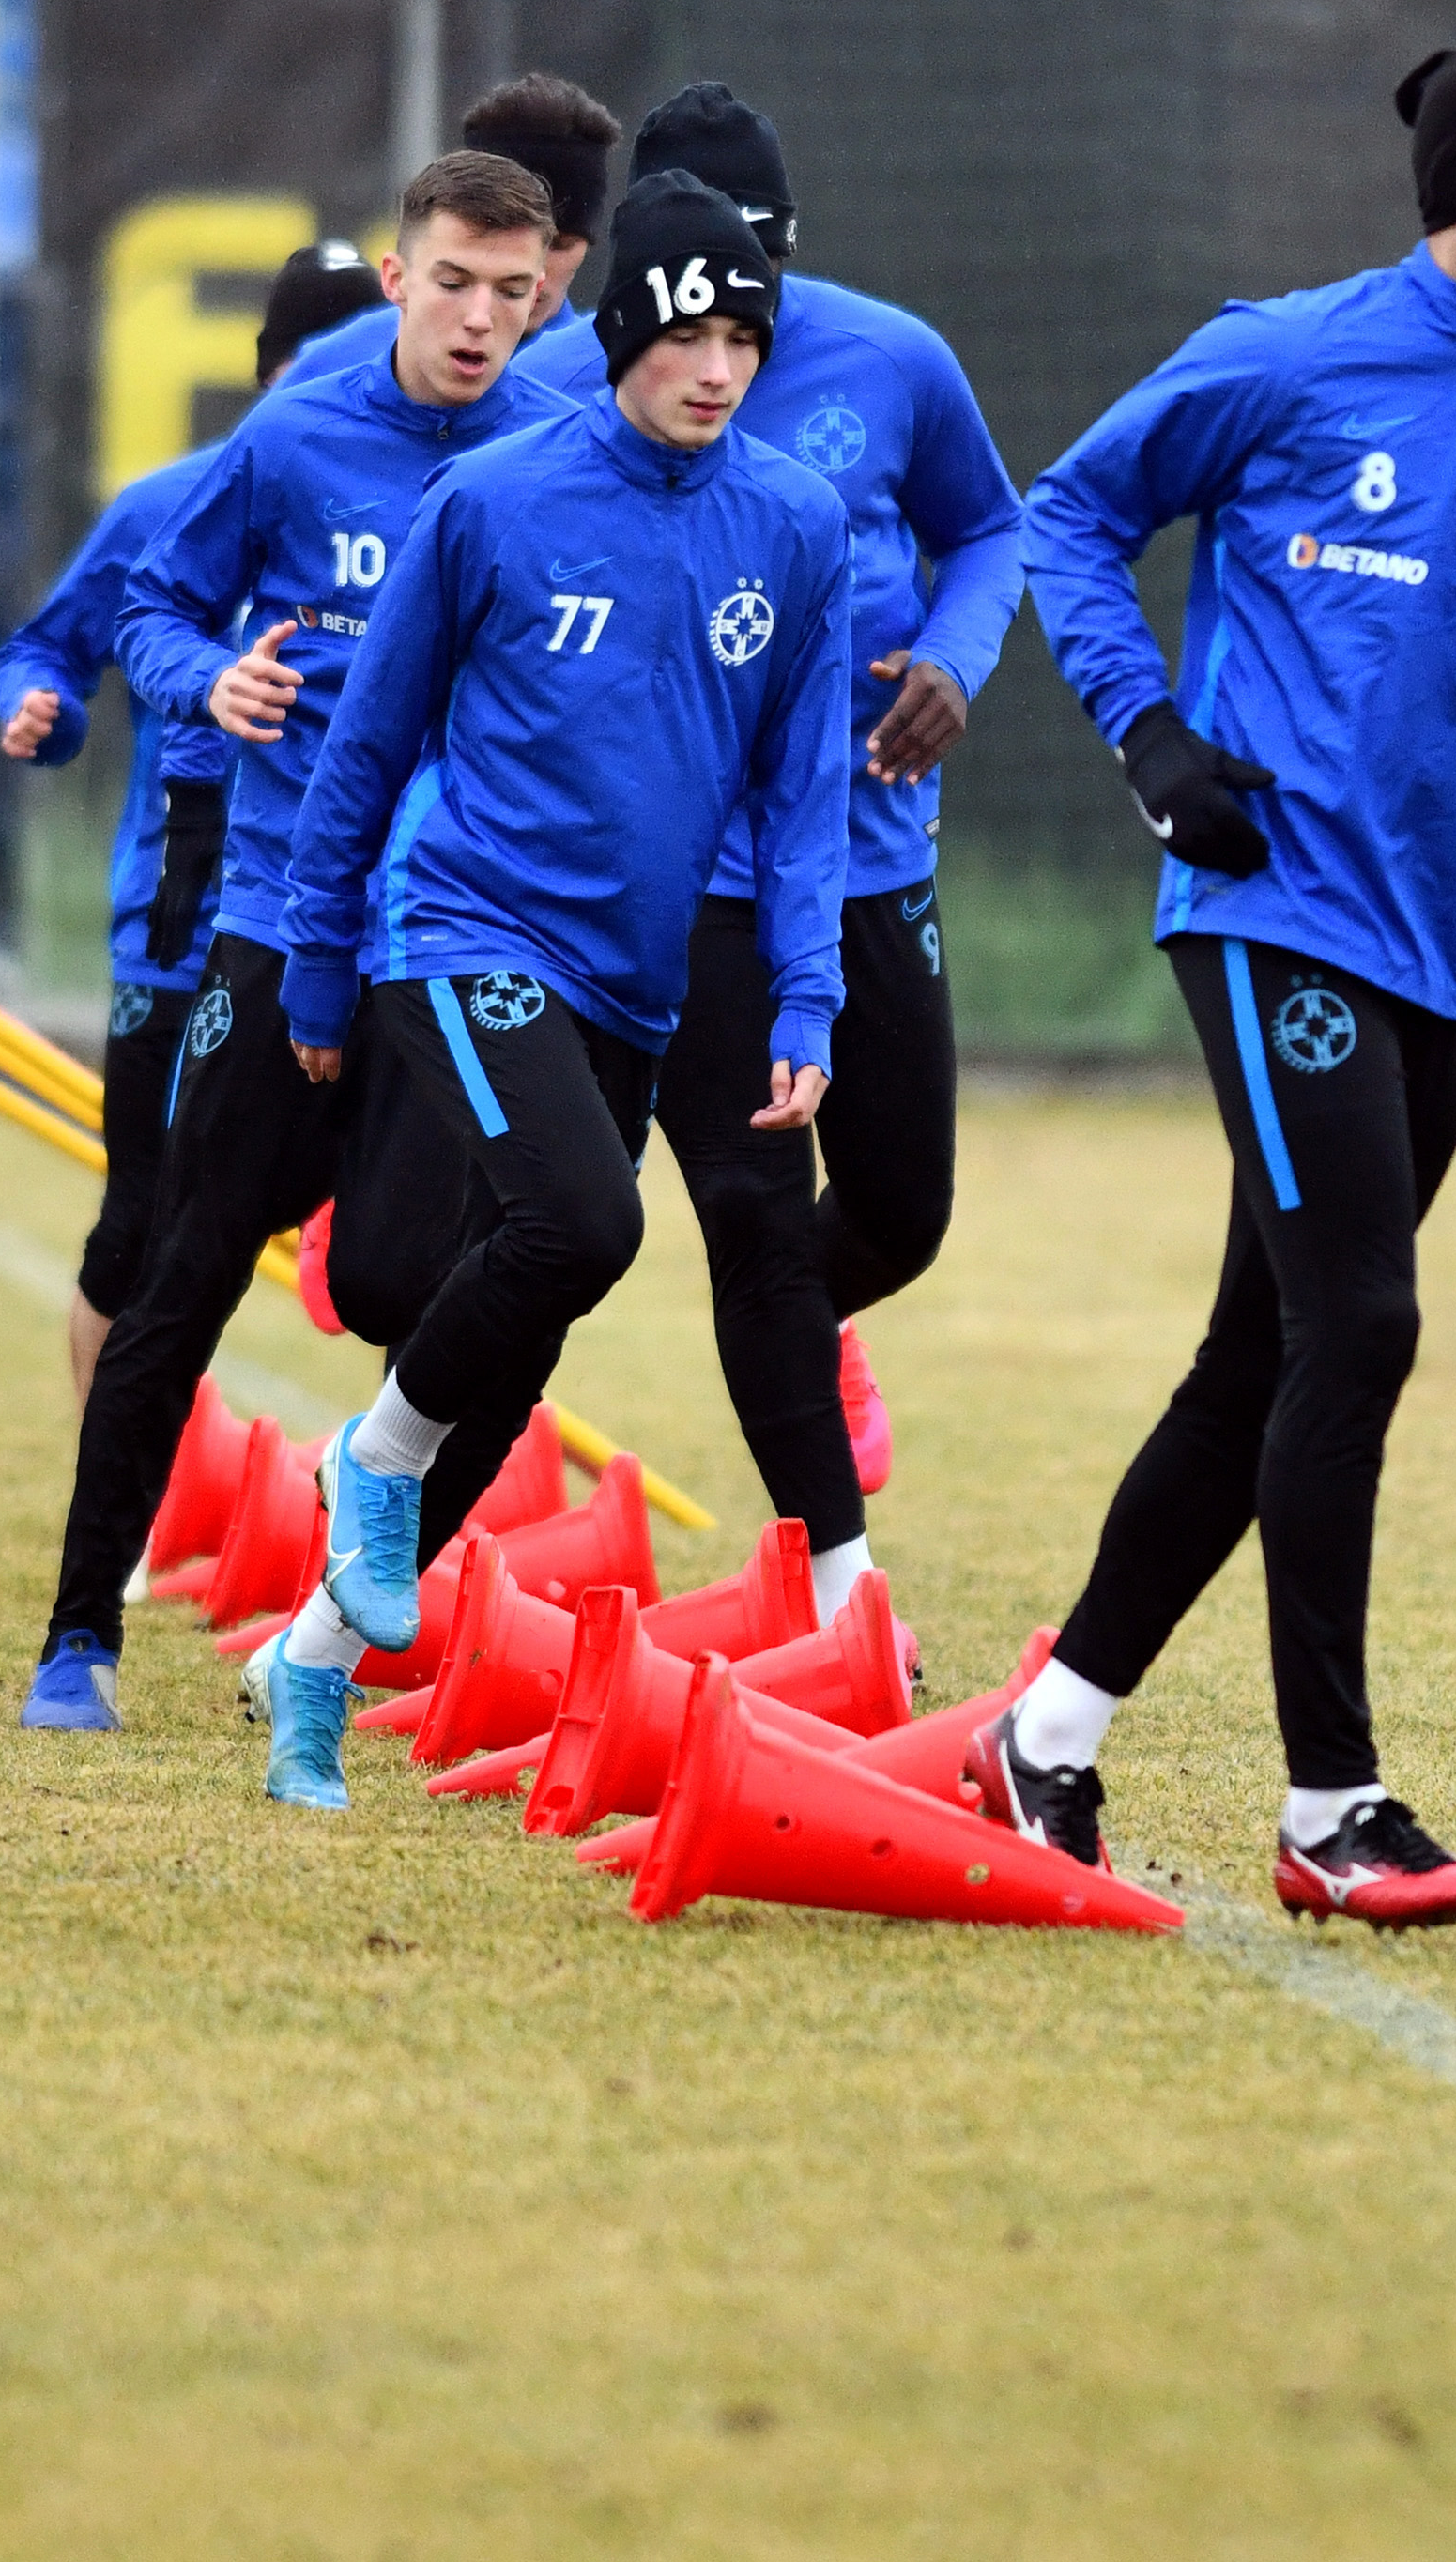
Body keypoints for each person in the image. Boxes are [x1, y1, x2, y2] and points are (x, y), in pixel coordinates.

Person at [978, 42, 1456, 1926]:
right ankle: (1333, 1802)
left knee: (1264, 1355)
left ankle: (1048, 1735)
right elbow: (1068, 512)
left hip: (1445, 943)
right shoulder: (1289, 352)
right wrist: (1152, 738)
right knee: (1365, 1324)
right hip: (1275, 912)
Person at [243, 168, 851, 1809]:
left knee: (519, 1347)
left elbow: (800, 796)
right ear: (622, 334)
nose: (715, 368)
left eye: (743, 336)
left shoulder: (794, 525)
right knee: (588, 1223)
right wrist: (314, 955)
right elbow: (364, 744)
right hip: (463, 931)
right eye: (685, 334)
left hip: (635, 984)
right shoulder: (494, 501)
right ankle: (364, 1464)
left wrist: (806, 995)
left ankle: (305, 1659)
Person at [14, 152, 568, 1732]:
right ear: (398, 279)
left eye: (510, 292)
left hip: (445, 937)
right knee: (177, 1267)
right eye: (451, 280)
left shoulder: (551, 455)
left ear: (543, 301)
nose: (476, 317)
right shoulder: (293, 438)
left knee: (431, 1285)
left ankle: (346, 1582)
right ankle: (77, 1640)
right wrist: (208, 682)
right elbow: (144, 609)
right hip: (269, 919)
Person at [621, 80, 1025, 1603]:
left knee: (898, 1215)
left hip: (869, 849)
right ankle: (837, 1586)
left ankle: (789, 1329)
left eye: (761, 283)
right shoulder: (574, 394)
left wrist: (951, 658)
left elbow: (989, 529)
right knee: (744, 1201)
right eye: (700, 294)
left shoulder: (891, 356)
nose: (735, 329)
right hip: (691, 883)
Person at [0, 238, 382, 1399]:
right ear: (263, 376)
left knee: (414, 1215)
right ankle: (132, 1506)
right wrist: (39, 712)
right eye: (306, 366)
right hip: (180, 920)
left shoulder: (435, 498)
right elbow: (44, 650)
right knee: (141, 1225)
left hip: (361, 921)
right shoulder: (171, 506)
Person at [282, 71, 617, 402]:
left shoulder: (616, 381)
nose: (528, 262)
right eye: (492, 238)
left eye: (559, 244)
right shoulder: (339, 363)